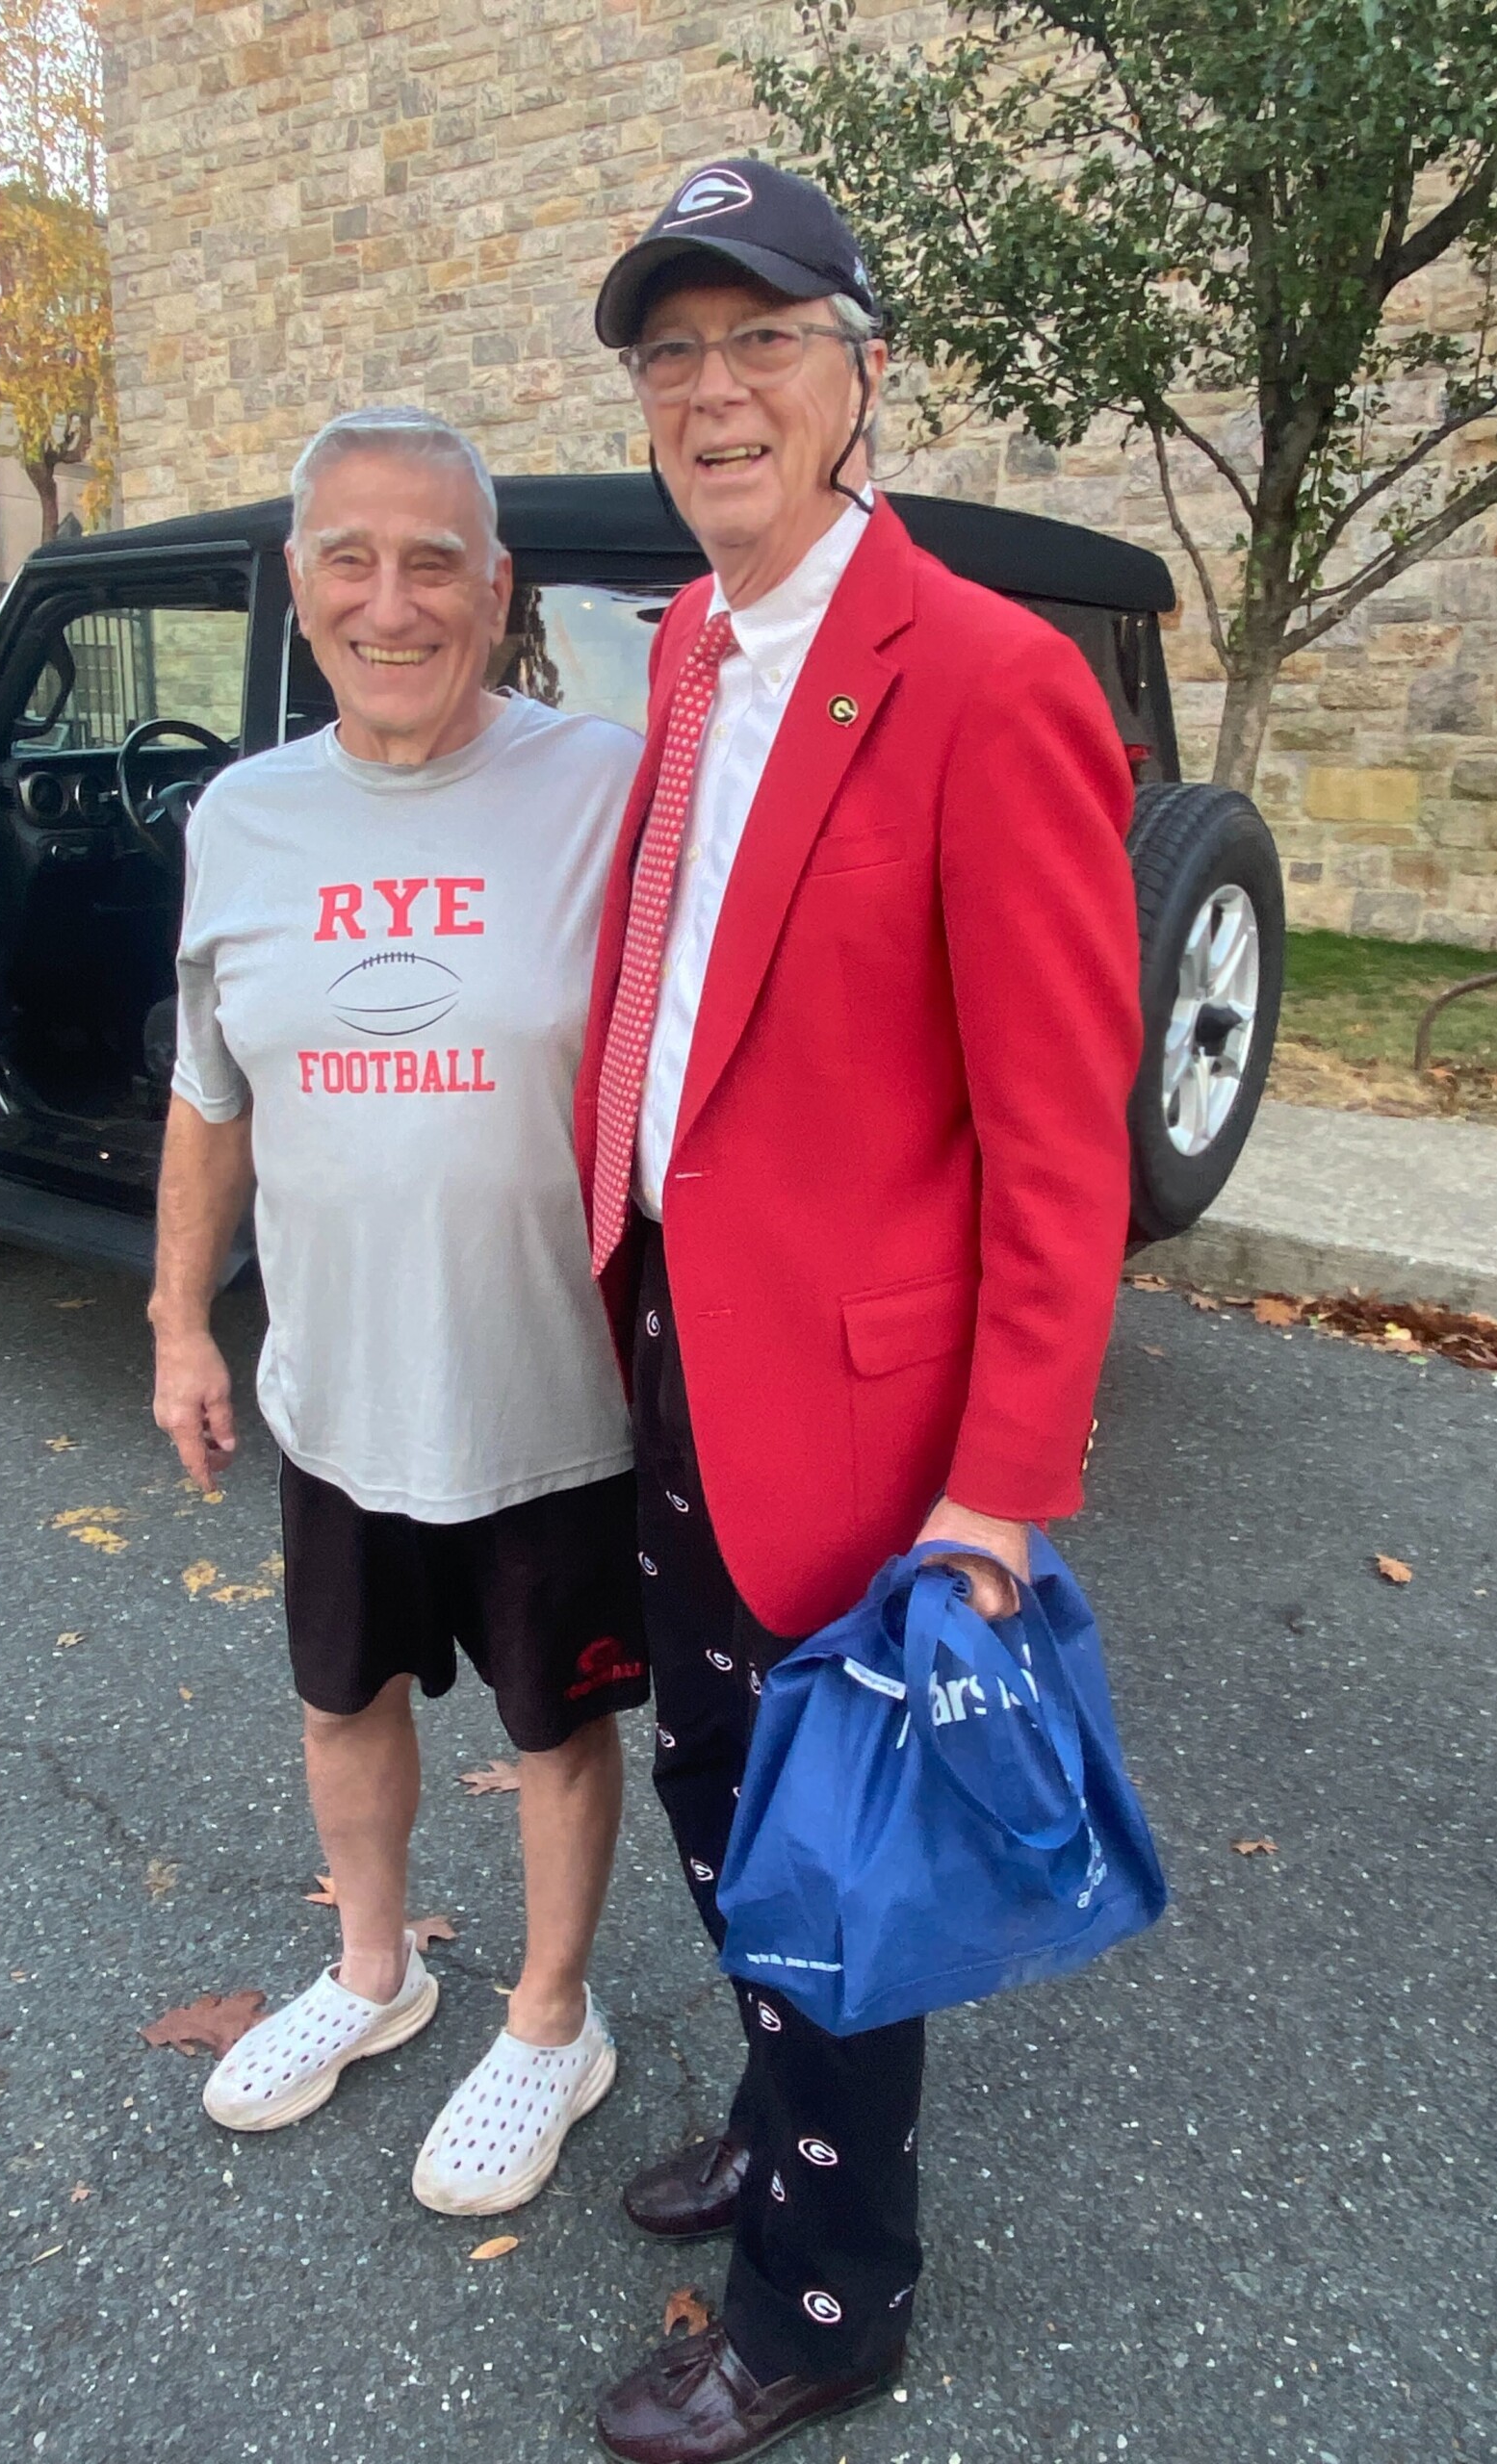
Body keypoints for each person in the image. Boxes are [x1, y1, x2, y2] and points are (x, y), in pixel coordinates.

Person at [575, 163, 1144, 2460]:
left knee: (829, 1824)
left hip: (857, 1400)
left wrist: (1000, 1487)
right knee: (718, 1783)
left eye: (763, 343)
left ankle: (826, 2280)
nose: (714, 394)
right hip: (670, 1331)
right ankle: (772, 2094)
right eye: (671, 356)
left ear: (860, 375)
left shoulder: (988, 679)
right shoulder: (692, 649)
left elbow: (1061, 1136)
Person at [150, 406, 647, 2217]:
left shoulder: (604, 785)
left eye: (434, 559)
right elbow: (213, 1093)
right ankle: (377, 1971)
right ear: (300, 586)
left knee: (550, 1725)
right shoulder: (242, 817)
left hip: (550, 1388)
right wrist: (178, 1325)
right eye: (349, 559)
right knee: (341, 1691)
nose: (392, 600)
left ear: (494, 588)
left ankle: (550, 2018)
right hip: (337, 1383)